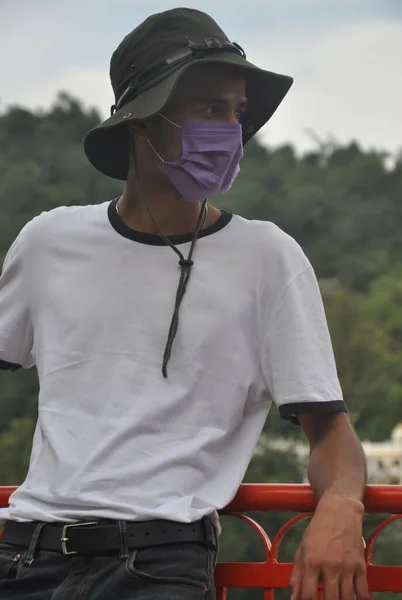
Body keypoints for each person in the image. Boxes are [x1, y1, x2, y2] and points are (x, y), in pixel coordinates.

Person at [0, 7, 369, 600]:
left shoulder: (268, 257)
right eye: (208, 109)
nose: (229, 130)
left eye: (236, 112)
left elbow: (330, 430)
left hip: (161, 563)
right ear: (142, 123)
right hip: (24, 554)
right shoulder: (48, 242)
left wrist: (343, 506)